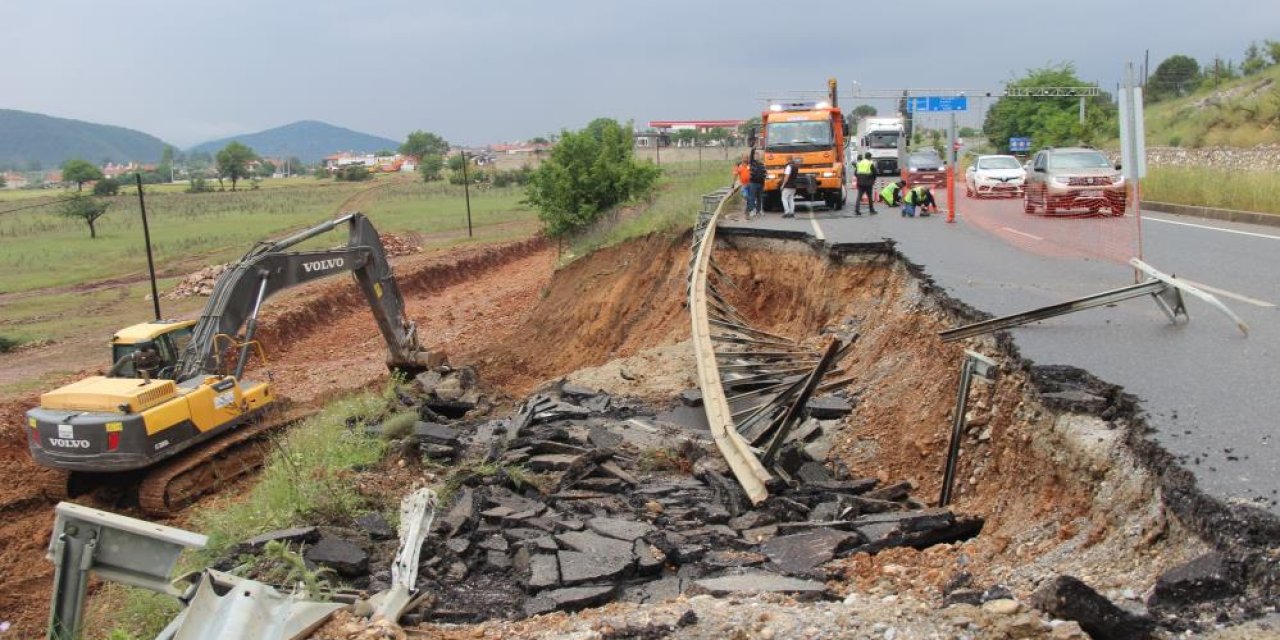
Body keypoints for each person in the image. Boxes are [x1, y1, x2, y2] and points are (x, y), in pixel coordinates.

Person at [747, 152, 766, 217]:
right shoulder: (752, 163)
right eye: (755, 156)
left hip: (761, 183)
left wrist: (764, 178)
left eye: (758, 156)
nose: (757, 157)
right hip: (753, 183)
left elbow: (765, 173)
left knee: (760, 198)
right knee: (752, 197)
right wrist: (753, 148)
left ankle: (759, 211)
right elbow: (751, 155)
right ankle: (751, 211)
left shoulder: (762, 164)